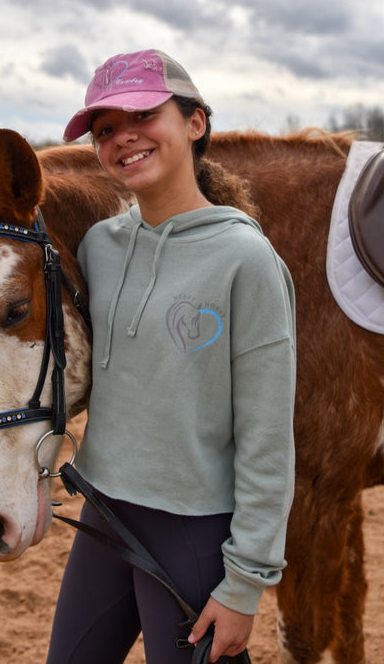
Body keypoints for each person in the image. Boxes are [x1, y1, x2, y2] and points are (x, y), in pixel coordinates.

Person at [47, 49, 296, 664]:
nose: (122, 137)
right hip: (106, 511)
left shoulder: (247, 260)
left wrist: (245, 585)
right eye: (105, 130)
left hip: (195, 529)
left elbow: (267, 435)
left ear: (195, 123)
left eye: (142, 115)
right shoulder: (98, 246)